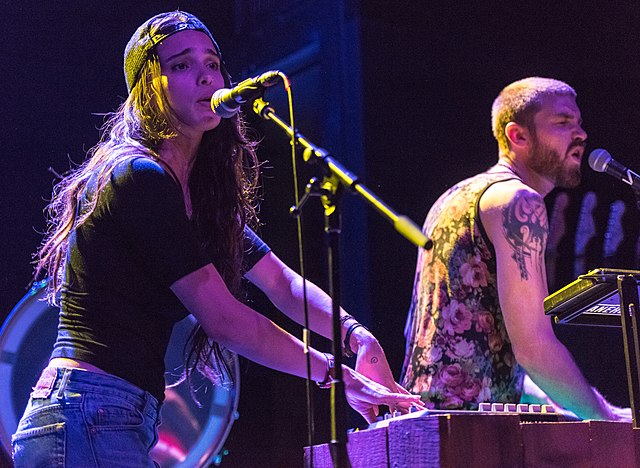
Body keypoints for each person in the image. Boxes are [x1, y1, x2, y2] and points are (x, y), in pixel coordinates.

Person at [11, 11, 422, 467]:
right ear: (149, 87)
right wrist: (336, 374)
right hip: (85, 412)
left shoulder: (198, 200)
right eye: (182, 66)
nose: (206, 77)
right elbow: (225, 320)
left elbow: (282, 284)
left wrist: (355, 335)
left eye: (212, 63)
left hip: (107, 416)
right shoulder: (137, 176)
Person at [401, 77, 629, 421]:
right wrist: (607, 424)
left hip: (426, 425)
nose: (581, 134)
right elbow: (533, 347)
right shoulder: (519, 202)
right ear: (517, 136)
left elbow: (491, 353)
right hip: (467, 435)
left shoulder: (454, 197)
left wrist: (596, 410)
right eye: (564, 123)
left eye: (579, 123)